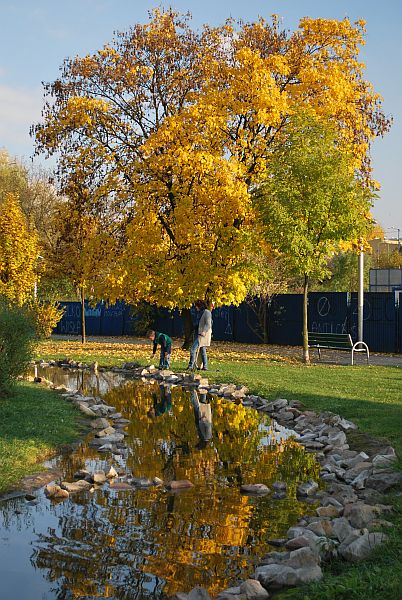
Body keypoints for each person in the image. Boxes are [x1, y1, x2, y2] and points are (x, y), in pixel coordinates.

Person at [187, 299, 212, 370]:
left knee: (193, 349)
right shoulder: (199, 313)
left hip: (203, 335)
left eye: (197, 306)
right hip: (198, 333)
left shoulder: (207, 313)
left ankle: (191, 366)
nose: (196, 308)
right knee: (202, 350)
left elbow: (208, 324)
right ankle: (205, 366)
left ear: (200, 306)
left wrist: (204, 331)